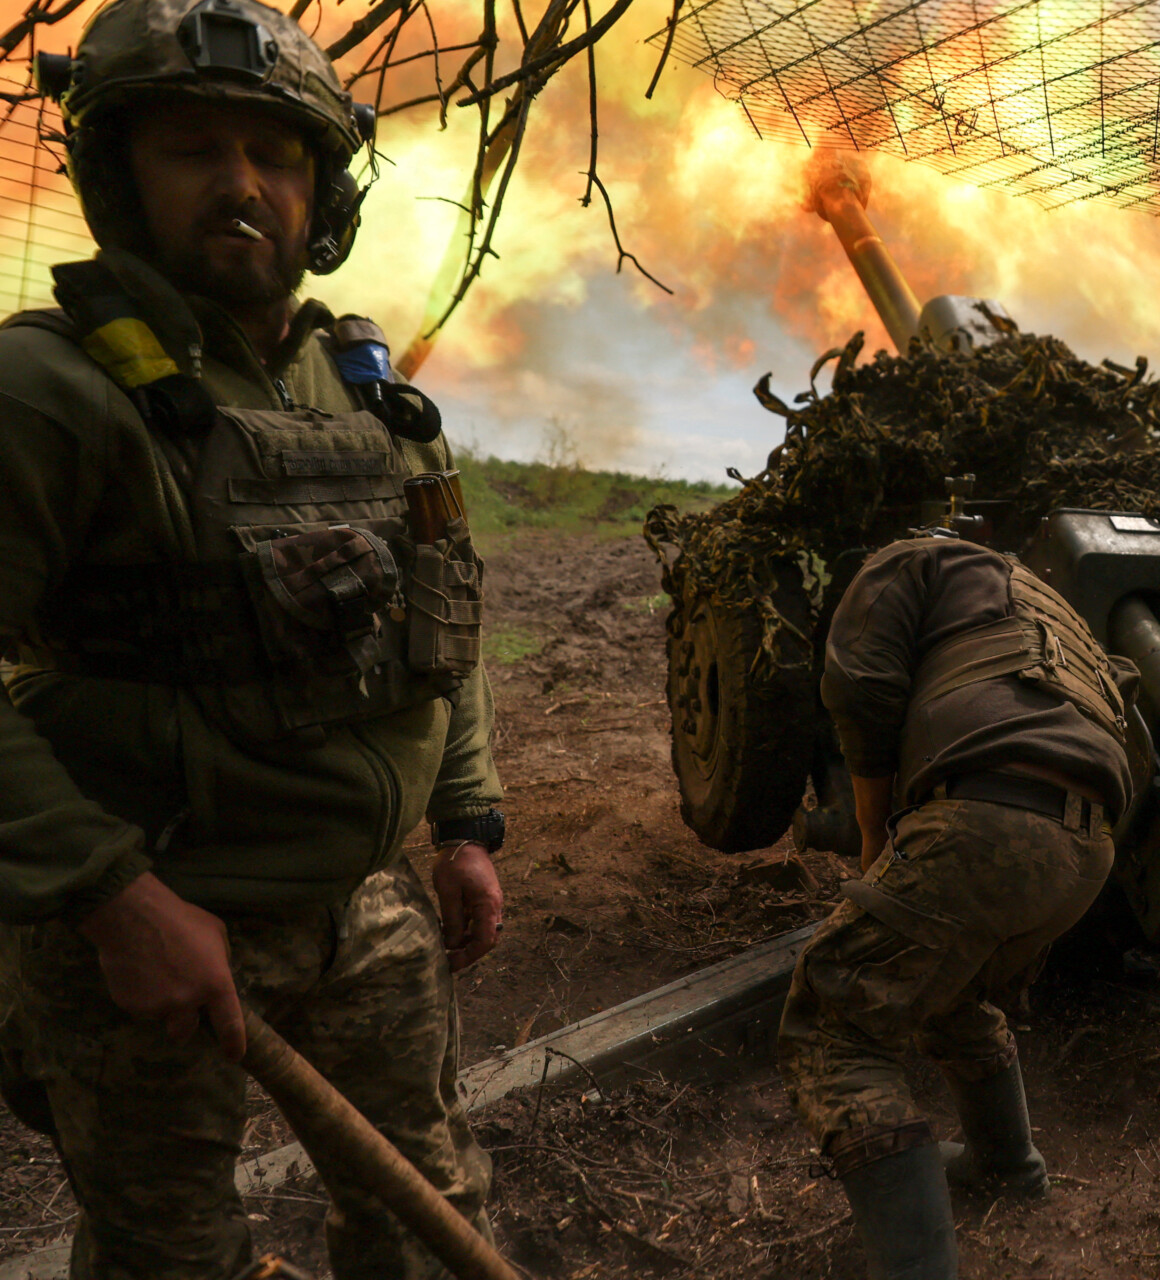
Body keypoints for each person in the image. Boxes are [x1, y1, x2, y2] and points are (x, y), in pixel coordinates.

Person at [0, 1, 507, 1275]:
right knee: (169, 1255)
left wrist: (466, 822)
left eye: (275, 154)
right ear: (119, 174)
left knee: (427, 1218)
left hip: (365, 913)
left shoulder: (373, 396)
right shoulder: (48, 389)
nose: (241, 185)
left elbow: (444, 617)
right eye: (192, 148)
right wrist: (114, 898)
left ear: (319, 189)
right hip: (160, 911)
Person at [777, 530, 1136, 1279]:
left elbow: (859, 682)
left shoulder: (907, 560)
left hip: (989, 811)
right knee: (952, 986)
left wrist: (874, 832)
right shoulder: (1049, 610)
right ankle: (1008, 1165)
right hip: (1090, 844)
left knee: (835, 1022)